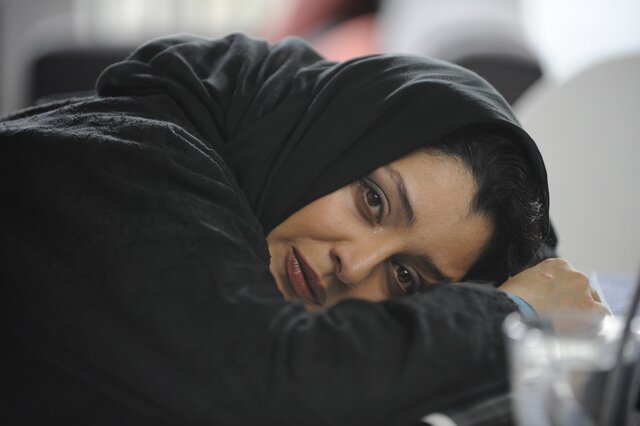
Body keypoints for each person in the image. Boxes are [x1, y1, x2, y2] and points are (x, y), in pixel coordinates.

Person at [0, 33, 605, 425]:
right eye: (372, 201)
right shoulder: (117, 157)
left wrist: (529, 280)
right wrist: (510, 315)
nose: (355, 266)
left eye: (405, 276)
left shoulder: (259, 154)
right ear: (330, 135)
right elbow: (270, 381)